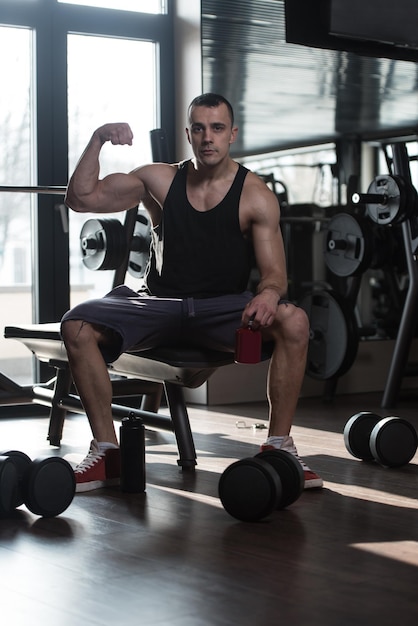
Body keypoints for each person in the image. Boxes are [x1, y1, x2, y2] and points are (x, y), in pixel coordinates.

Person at [61, 93, 323, 492]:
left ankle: (279, 446)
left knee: (296, 320)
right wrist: (97, 139)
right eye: (198, 128)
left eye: (217, 128)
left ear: (232, 134)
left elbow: (274, 276)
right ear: (188, 133)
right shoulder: (159, 180)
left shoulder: (255, 195)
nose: (207, 138)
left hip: (222, 309)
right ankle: (108, 452)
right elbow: (81, 199)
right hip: (157, 303)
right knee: (76, 325)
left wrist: (269, 296)